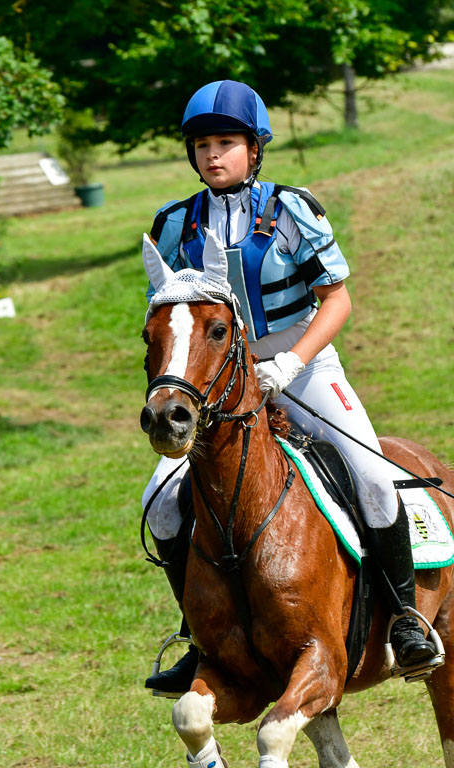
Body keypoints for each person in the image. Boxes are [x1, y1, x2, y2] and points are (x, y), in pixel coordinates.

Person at [142, 79, 437, 695]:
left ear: (256, 148)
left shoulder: (291, 211)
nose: (213, 155)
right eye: (201, 145)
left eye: (227, 142)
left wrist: (291, 363)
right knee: (164, 505)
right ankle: (197, 637)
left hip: (302, 364)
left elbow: (338, 299)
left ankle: (406, 620)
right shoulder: (175, 225)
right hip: (219, 382)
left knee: (376, 480)